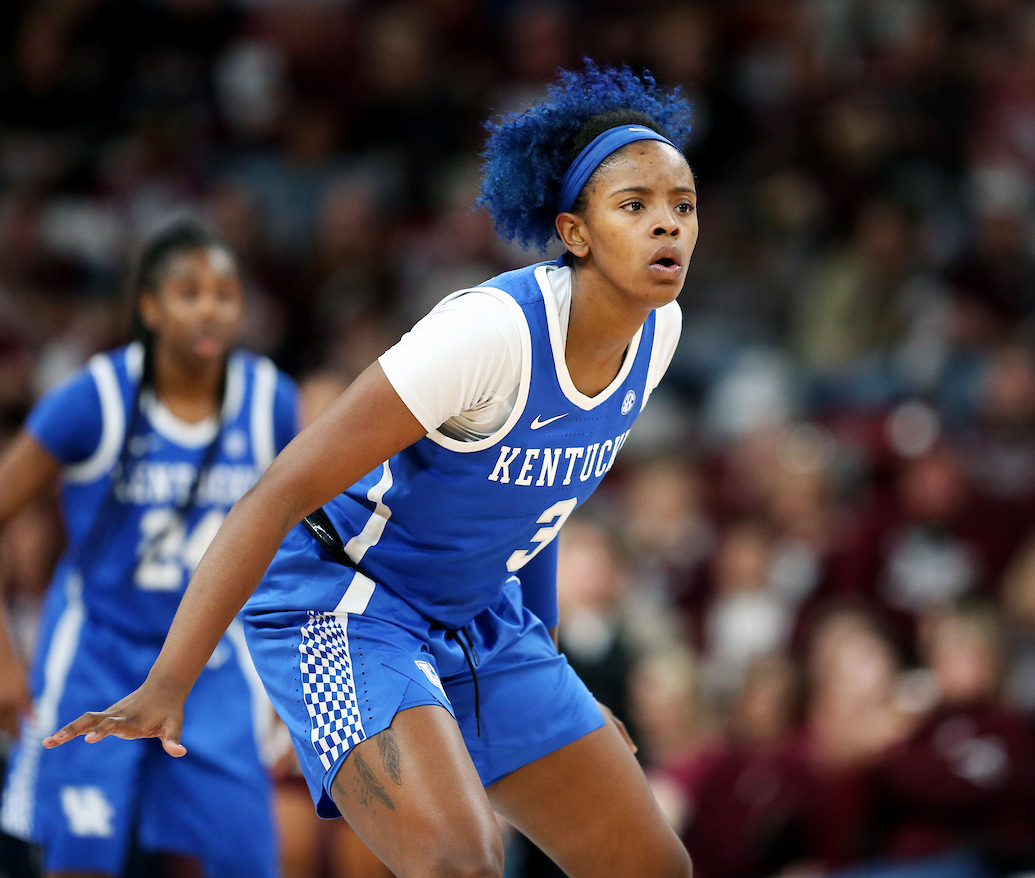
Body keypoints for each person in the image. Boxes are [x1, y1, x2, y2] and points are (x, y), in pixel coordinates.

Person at [47, 61, 696, 878]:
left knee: (654, 868)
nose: (667, 226)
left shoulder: (658, 331)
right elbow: (280, 489)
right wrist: (169, 679)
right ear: (576, 232)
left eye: (682, 206)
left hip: (474, 612)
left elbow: (541, 509)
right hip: (345, 601)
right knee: (461, 864)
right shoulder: (489, 334)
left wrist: (546, 678)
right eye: (635, 207)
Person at [0, 219, 298, 877]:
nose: (210, 307)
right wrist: (3, 659)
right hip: (98, 655)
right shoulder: (94, 398)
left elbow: (302, 539)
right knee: (81, 859)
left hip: (213, 664)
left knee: (241, 860)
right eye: (189, 291)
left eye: (225, 292)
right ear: (149, 307)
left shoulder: (269, 399)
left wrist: (288, 677)